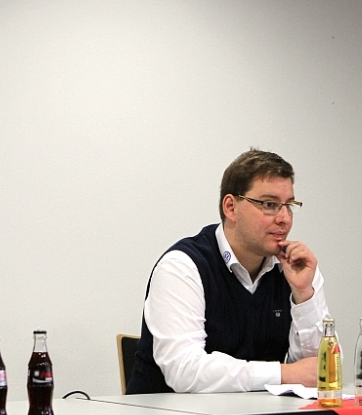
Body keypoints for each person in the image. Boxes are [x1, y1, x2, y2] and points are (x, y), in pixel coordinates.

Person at [126, 148, 330, 394]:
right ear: (231, 207)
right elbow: (185, 371)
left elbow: (317, 370)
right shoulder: (183, 266)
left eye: (289, 205)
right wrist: (283, 374)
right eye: (270, 205)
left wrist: (304, 295)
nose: (285, 218)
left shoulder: (296, 268)